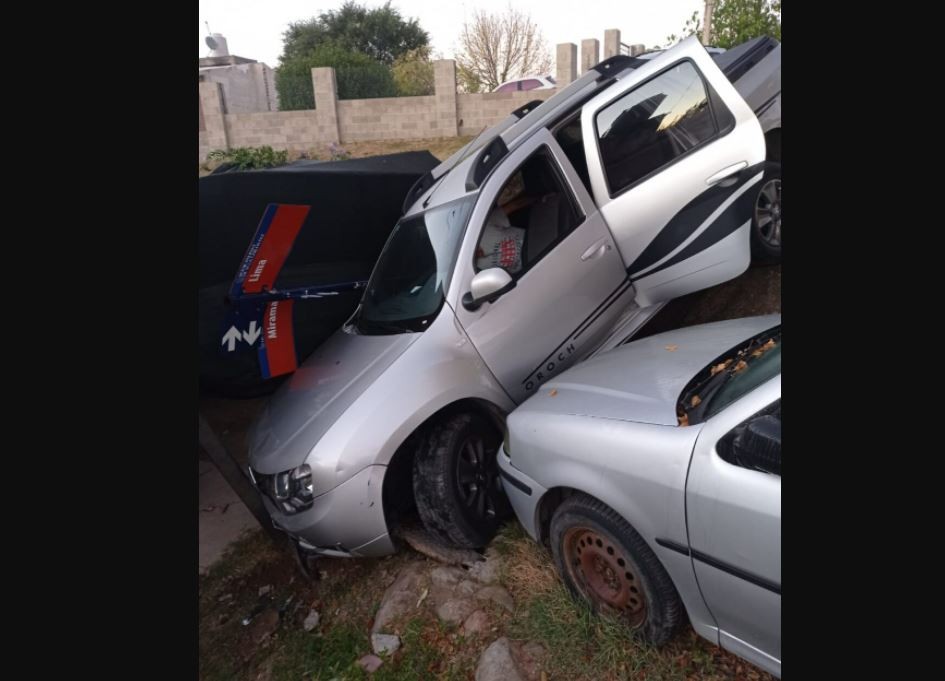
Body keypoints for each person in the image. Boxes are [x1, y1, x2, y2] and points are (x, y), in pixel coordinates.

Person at [475, 173, 534, 274]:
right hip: (528, 269)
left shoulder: (484, 228)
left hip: (533, 241)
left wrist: (540, 199)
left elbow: (515, 205)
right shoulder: (477, 270)